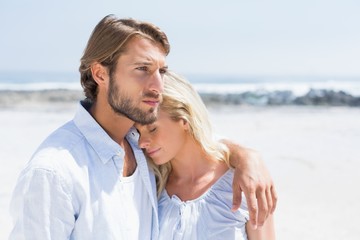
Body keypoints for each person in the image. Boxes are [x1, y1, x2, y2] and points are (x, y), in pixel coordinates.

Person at [9, 15, 276, 239]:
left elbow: (191, 138)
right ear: (101, 74)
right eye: (142, 69)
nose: (158, 86)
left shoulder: (139, 146)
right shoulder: (54, 172)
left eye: (161, 71)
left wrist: (247, 157)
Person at [135, 71, 276, 239]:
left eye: (152, 128)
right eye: (137, 132)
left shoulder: (244, 185)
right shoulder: (151, 186)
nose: (142, 142)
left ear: (184, 118)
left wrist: (248, 157)